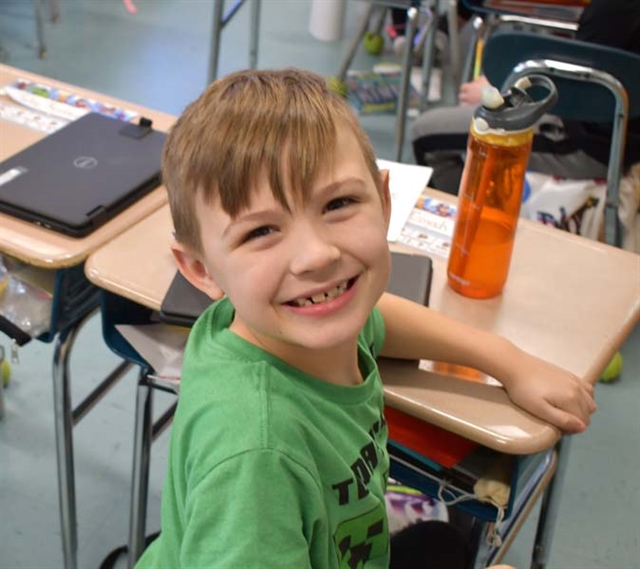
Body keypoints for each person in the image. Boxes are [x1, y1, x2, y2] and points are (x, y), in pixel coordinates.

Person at [135, 68, 595, 568]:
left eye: (339, 203)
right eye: (261, 231)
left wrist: (507, 361)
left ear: (384, 201)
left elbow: (378, 318)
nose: (316, 256)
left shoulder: (282, 320)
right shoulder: (255, 456)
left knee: (442, 546)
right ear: (201, 269)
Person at [410, 0, 640, 195]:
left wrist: (503, 91)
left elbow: (581, 94)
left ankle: (470, 227)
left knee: (425, 135)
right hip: (611, 132)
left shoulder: (614, 10)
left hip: (600, 144)